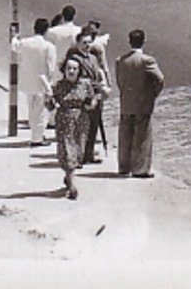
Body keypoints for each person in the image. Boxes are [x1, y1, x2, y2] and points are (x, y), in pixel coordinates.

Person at [114, 29, 165, 178]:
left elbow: (120, 81)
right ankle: (140, 168)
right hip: (142, 103)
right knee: (141, 137)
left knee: (125, 136)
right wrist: (152, 93)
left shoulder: (121, 60)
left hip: (126, 101)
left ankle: (124, 166)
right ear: (143, 41)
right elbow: (160, 79)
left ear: (130, 41)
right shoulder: (147, 60)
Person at [47, 54, 96, 199]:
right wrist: (48, 98)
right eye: (69, 68)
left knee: (79, 151)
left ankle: (69, 177)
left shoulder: (85, 84)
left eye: (75, 68)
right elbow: (50, 106)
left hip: (81, 120)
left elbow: (93, 101)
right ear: (64, 70)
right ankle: (73, 186)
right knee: (68, 152)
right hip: (64, 121)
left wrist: (90, 105)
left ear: (79, 70)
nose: (72, 71)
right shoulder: (59, 86)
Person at [10, 18, 60, 145]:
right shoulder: (48, 46)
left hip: (27, 80)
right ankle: (37, 138)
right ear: (46, 30)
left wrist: (14, 36)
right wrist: (50, 83)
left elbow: (15, 46)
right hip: (42, 82)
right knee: (40, 111)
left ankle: (36, 134)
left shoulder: (26, 43)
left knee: (32, 109)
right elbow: (51, 66)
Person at [70, 24, 112, 164]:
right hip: (81, 96)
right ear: (78, 43)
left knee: (93, 126)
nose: (87, 45)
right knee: (81, 127)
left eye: (89, 42)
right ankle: (79, 156)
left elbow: (98, 73)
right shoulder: (74, 58)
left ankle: (88, 154)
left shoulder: (92, 58)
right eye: (84, 43)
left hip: (94, 95)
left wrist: (102, 87)